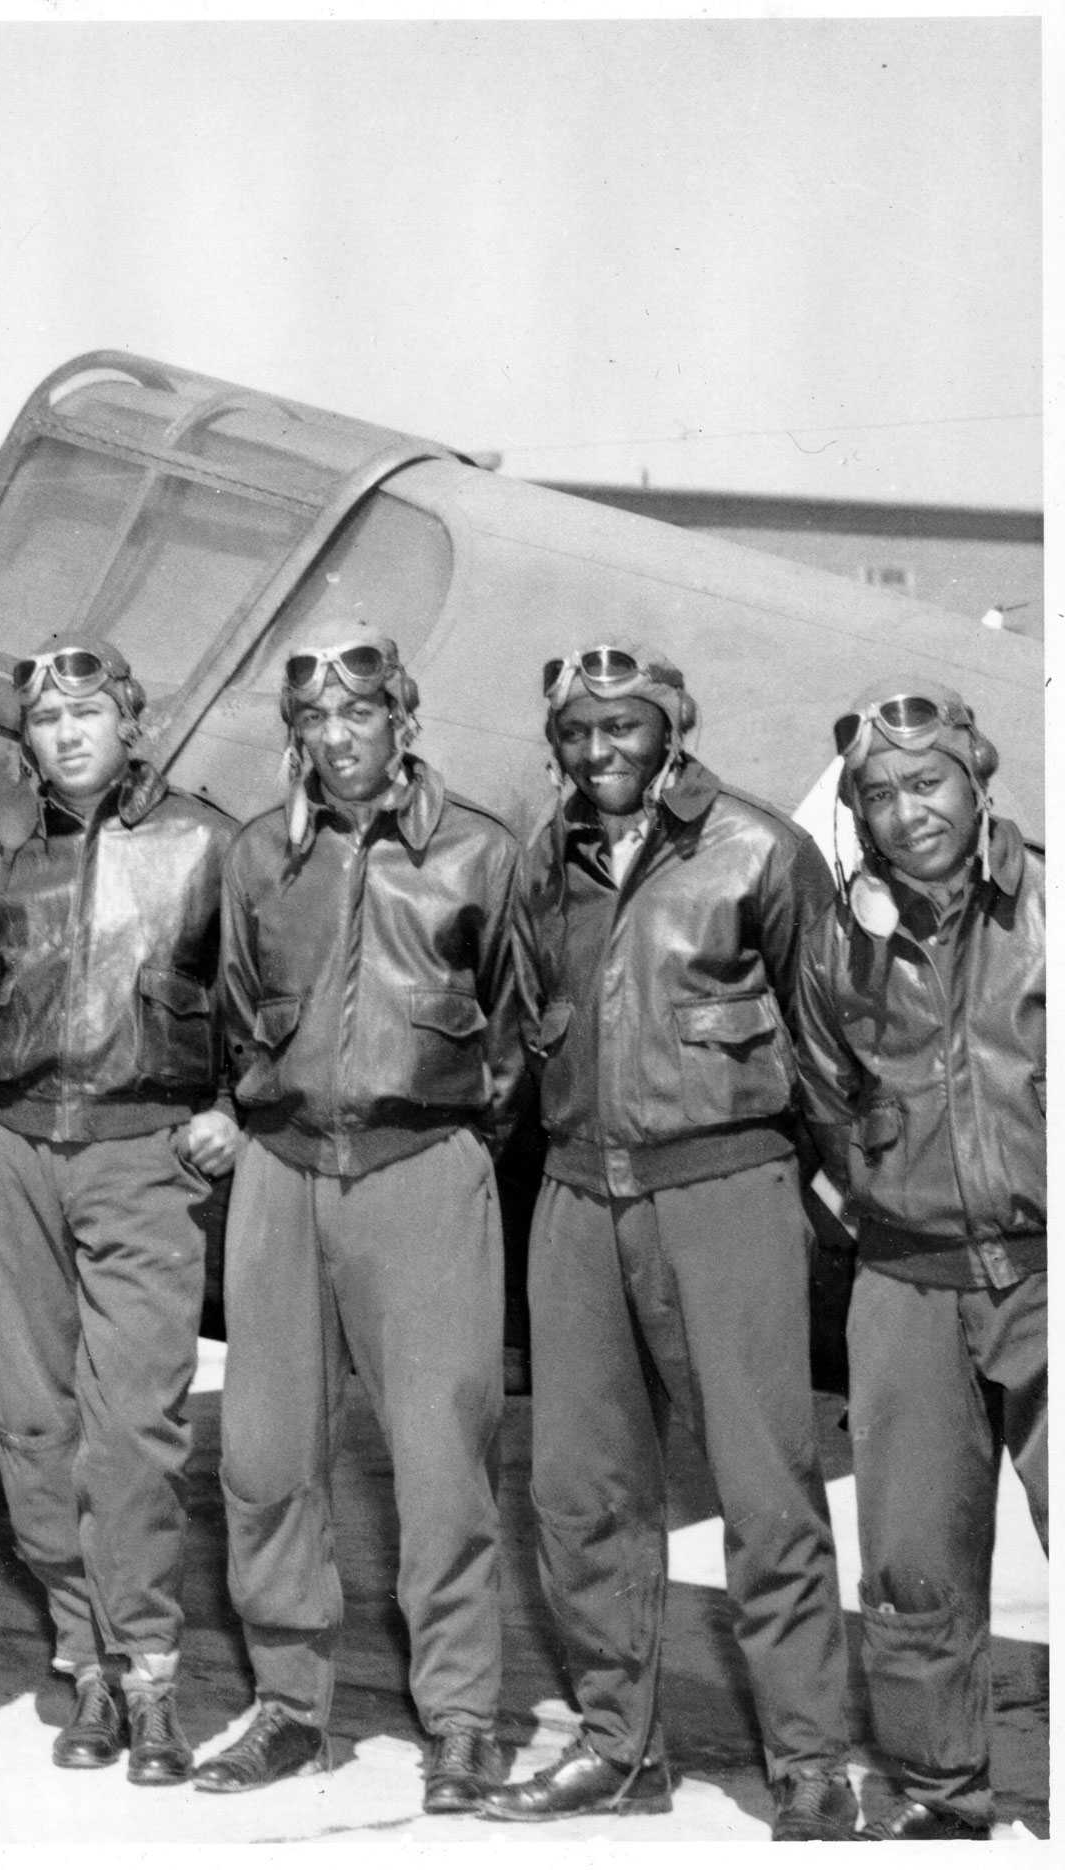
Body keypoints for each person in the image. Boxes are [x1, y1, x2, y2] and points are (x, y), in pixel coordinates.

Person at [482, 645, 855, 1839]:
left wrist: (861, 1198)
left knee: (766, 1485)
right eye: (579, 733)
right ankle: (618, 1745)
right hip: (581, 1195)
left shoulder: (759, 853)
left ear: (672, 732)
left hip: (726, 1186)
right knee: (579, 1491)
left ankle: (808, 1762)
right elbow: (516, 1031)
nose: (600, 752)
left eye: (624, 728)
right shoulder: (542, 863)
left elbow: (830, 1039)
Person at [209, 637, 527, 1812]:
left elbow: (513, 1032)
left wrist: (443, 1144)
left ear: (405, 716)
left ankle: (458, 1718)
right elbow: (238, 1016)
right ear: (296, 731)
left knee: (443, 1457)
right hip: (283, 1168)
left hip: (422, 1165)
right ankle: (290, 1706)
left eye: (363, 710)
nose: (340, 734)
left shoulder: (480, 852)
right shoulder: (260, 856)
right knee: (263, 1454)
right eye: (317, 716)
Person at [0, 637, 236, 1785]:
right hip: (13, 1150)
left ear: (134, 721)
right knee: (30, 1431)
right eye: (49, 719)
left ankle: (153, 1672)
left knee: (132, 1435)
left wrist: (235, 1106)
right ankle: (88, 1665)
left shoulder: (206, 846)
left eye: (91, 712)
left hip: (137, 1156)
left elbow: (268, 1002)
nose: (69, 734)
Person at [789, 684, 1046, 1842]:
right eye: (880, 795)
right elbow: (820, 1090)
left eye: (928, 781)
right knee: (907, 1558)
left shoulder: (1044, 903)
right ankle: (944, 1790)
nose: (907, 812)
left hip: (1045, 1273)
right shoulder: (842, 935)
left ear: (977, 780)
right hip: (906, 1281)